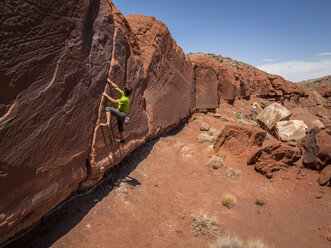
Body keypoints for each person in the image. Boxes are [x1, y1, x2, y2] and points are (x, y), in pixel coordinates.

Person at [100, 78, 132, 143]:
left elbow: (114, 101)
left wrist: (105, 95)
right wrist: (110, 81)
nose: (123, 89)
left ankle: (108, 123)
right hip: (123, 115)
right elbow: (116, 88)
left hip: (121, 114)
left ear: (125, 92)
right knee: (120, 127)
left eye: (124, 89)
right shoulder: (125, 95)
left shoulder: (125, 99)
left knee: (108, 109)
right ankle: (123, 140)